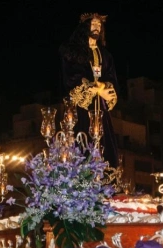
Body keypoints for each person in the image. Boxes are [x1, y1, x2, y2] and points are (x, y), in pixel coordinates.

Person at [60, 12, 120, 167]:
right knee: (82, 141)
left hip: (101, 108)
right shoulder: (73, 52)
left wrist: (105, 88)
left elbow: (111, 77)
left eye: (99, 25)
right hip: (82, 108)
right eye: (93, 24)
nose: (97, 27)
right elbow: (73, 78)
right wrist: (97, 89)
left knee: (105, 145)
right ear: (85, 27)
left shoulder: (106, 55)